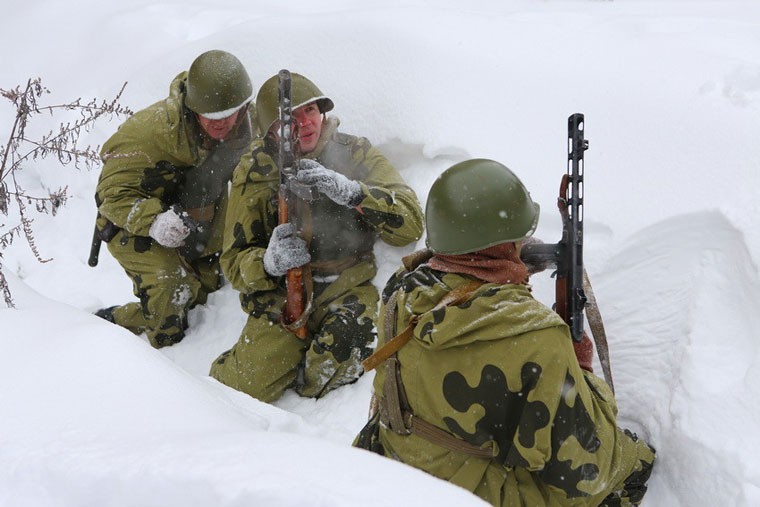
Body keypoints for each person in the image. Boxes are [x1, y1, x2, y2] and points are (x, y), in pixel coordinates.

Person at [354, 159, 656, 506]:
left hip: (399, 462)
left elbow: (456, 278)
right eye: (519, 237)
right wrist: (582, 371)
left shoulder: (400, 292)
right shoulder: (533, 337)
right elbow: (590, 469)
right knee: (632, 467)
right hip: (467, 492)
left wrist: (502, 265)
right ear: (502, 243)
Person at [209, 72, 424, 402]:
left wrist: (351, 193)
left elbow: (410, 224)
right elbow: (233, 262)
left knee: (346, 354)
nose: (306, 123)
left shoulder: (354, 153)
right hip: (279, 295)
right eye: (292, 117)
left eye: (310, 111)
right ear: (270, 130)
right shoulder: (254, 170)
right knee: (239, 392)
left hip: (347, 285)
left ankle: (307, 398)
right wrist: (268, 263)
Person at [93, 50, 256, 348]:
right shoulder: (150, 132)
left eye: (229, 114)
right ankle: (162, 362)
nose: (221, 123)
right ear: (194, 108)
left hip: (197, 220)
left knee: (201, 293)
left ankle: (130, 319)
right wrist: (154, 221)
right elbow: (111, 194)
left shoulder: (246, 125)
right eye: (211, 115)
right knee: (171, 288)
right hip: (134, 219)